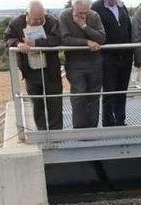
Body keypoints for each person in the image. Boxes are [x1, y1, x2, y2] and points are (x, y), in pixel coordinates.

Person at [4, 1, 63, 131]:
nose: (38, 21)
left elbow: (58, 39)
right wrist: (18, 44)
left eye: (41, 18)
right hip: (30, 70)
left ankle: (57, 133)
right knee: (37, 103)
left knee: (55, 102)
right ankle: (41, 132)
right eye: (35, 19)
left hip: (51, 70)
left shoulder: (52, 21)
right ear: (27, 14)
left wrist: (36, 43)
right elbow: (8, 38)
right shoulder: (16, 23)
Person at [60, 0, 107, 128]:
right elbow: (65, 39)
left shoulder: (94, 16)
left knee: (94, 96)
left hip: (95, 63)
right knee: (79, 95)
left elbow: (101, 38)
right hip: (75, 64)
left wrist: (84, 26)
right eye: (79, 13)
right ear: (72, 8)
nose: (83, 16)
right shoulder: (65, 16)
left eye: (85, 12)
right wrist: (86, 42)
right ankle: (79, 129)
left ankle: (92, 128)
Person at [92, 0, 133, 126]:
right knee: (109, 92)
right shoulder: (96, 7)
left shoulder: (122, 6)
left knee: (122, 91)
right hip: (107, 56)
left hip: (125, 57)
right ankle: (108, 123)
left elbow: (129, 29)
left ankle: (121, 121)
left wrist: (132, 50)